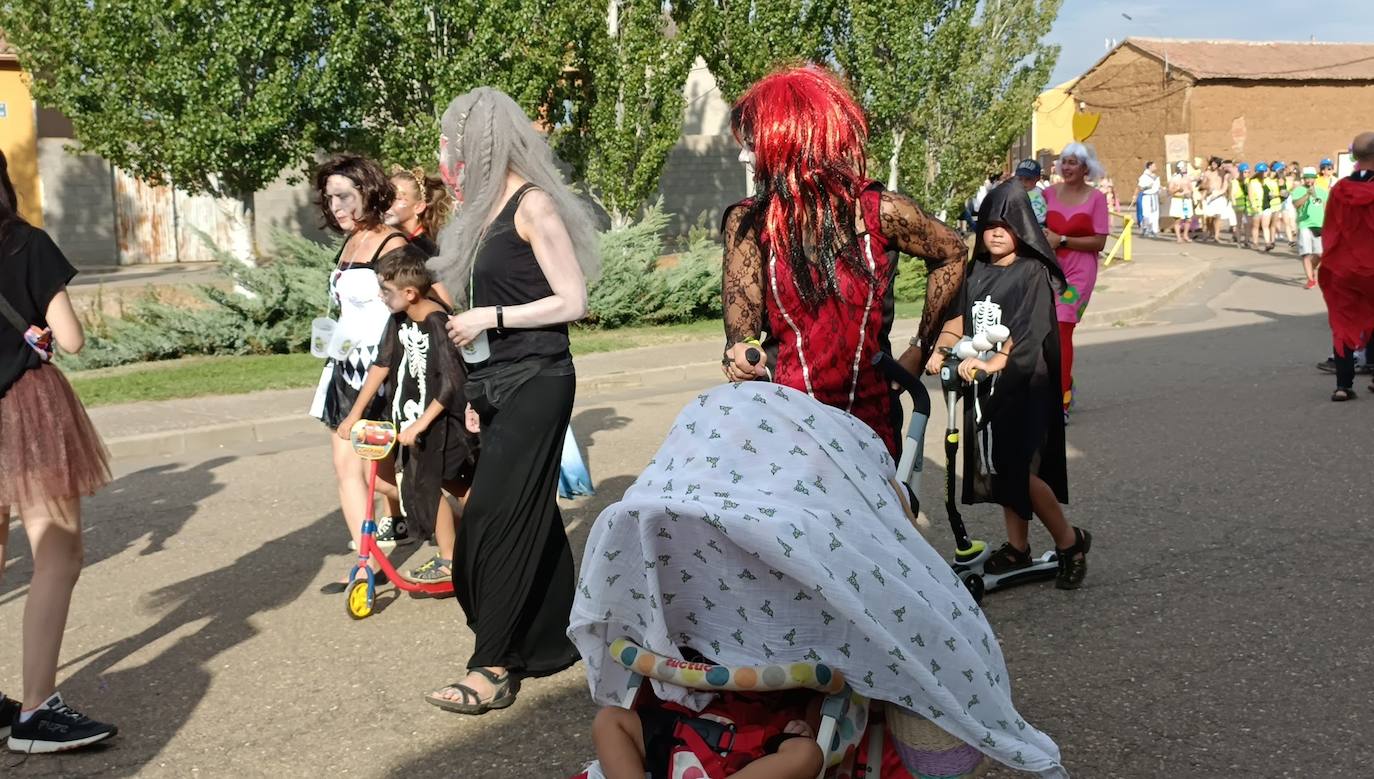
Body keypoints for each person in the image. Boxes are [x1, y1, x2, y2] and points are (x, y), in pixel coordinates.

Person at [569, 64, 1066, 779]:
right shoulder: (881, 212)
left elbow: (741, 340)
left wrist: (747, 357)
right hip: (861, 421)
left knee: (778, 552)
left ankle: (787, 690)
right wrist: (916, 350)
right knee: (872, 563)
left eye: (753, 141)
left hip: (783, 425)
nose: (746, 154)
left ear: (784, 140)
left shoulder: (750, 223)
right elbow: (951, 252)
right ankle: (865, 704)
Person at [426, 86, 599, 715]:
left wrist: (490, 316)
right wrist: (474, 390)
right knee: (531, 516)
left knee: (490, 524)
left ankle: (492, 666)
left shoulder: (532, 204)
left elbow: (573, 301)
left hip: (539, 380)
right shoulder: (481, 211)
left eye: (455, 144)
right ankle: (555, 641)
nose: (450, 156)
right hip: (495, 385)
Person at [0, 149, 118, 752]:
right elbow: (69, 339)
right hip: (25, 411)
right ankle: (35, 712)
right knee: (58, 555)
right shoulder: (25, 243)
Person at [927, 179, 1091, 589]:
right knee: (998, 469)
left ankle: (1070, 544)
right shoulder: (979, 269)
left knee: (1020, 471)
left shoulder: (1031, 271)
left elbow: (1030, 331)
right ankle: (1018, 548)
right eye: (990, 224)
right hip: (985, 387)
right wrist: (942, 348)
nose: (997, 232)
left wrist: (996, 361)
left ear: (1022, 228)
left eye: (1007, 224)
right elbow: (959, 316)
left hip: (1022, 382)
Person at [337, 245, 478, 582]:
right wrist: (355, 412)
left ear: (410, 292)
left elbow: (451, 384)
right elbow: (382, 363)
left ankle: (466, 552)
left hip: (443, 424)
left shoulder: (437, 323)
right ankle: (459, 552)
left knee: (449, 486)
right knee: (430, 487)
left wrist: (421, 424)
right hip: (413, 421)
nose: (381, 297)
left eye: (385, 290)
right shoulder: (399, 319)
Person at [311, 155, 410, 589]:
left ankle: (432, 530)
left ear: (368, 192)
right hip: (344, 368)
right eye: (330, 198)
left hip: (385, 370)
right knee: (345, 466)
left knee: (388, 469)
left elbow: (428, 302)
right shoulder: (349, 243)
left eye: (344, 196)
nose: (336, 206)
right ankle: (366, 560)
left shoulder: (392, 244)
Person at [593, 690, 824, 779]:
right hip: (683, 725)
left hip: (754, 752)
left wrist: (807, 726)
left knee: (807, 753)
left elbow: (822, 695)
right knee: (608, 720)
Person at [1043, 143, 1111, 420]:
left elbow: (1100, 240)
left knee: (1063, 324)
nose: (1067, 167)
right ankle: (1059, 382)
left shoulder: (1096, 199)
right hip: (1048, 269)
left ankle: (1062, 399)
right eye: (1065, 162)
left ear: (1086, 168)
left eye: (1073, 163)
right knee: (1044, 329)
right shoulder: (1046, 194)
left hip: (1078, 276)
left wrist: (1063, 239)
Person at [1319, 131, 1374, 402]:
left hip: (1343, 267)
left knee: (1342, 323)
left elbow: (1330, 228)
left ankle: (1342, 385)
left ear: (1354, 156)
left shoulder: (1339, 189)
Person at [1292, 167, 1327, 289]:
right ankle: (1311, 280)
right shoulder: (1298, 190)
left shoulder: (1322, 191)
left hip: (1319, 225)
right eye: (1306, 178)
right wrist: (1307, 195)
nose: (1308, 180)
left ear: (1314, 178)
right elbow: (1296, 204)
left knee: (1320, 254)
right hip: (1304, 224)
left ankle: (1311, 268)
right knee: (1306, 253)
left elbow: (1325, 207)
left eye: (1311, 177)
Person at [1167, 161, 1194, 243]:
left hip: (1186, 201)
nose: (1184, 168)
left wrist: (1190, 194)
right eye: (1183, 167)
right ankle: (1178, 237)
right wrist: (1177, 189)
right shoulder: (1174, 178)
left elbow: (1190, 188)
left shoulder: (1187, 178)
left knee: (1188, 219)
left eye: (1185, 167)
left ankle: (1185, 235)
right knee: (1177, 219)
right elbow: (1170, 191)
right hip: (1177, 200)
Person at [1249, 162, 1271, 249]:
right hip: (1257, 207)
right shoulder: (1253, 182)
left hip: (1266, 206)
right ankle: (1255, 242)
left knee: (1265, 226)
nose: (1263, 174)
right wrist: (1253, 206)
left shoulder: (1268, 181)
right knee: (1256, 226)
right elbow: (1250, 196)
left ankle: (1267, 243)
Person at [1137, 160, 1161, 236]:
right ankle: (1146, 228)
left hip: (1155, 197)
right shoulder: (1144, 177)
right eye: (1154, 166)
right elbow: (1140, 188)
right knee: (1147, 213)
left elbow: (1157, 187)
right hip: (1147, 197)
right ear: (1149, 166)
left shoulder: (1155, 176)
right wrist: (1147, 187)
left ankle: (1154, 230)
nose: (1155, 167)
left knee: (1155, 213)